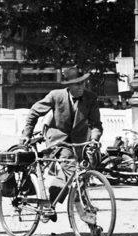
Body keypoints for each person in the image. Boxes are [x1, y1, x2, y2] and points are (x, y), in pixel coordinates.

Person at [19, 67, 103, 227]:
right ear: (69, 85)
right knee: (74, 173)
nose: (81, 86)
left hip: (79, 142)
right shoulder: (56, 96)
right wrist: (26, 133)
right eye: (77, 84)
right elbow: (34, 111)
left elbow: (96, 124)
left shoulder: (91, 98)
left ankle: (49, 204)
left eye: (83, 83)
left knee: (70, 177)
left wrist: (94, 139)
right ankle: (86, 215)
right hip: (58, 141)